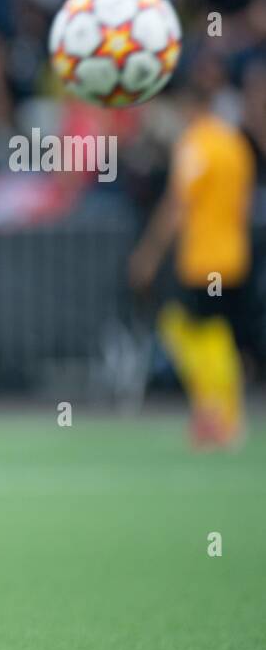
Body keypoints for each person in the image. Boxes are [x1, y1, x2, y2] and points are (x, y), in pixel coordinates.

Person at [129, 80, 255, 449]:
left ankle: (220, 416)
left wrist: (148, 255)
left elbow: (176, 207)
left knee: (194, 332)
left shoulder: (196, 145)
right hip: (235, 254)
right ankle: (217, 414)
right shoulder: (234, 144)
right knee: (212, 334)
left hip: (204, 258)